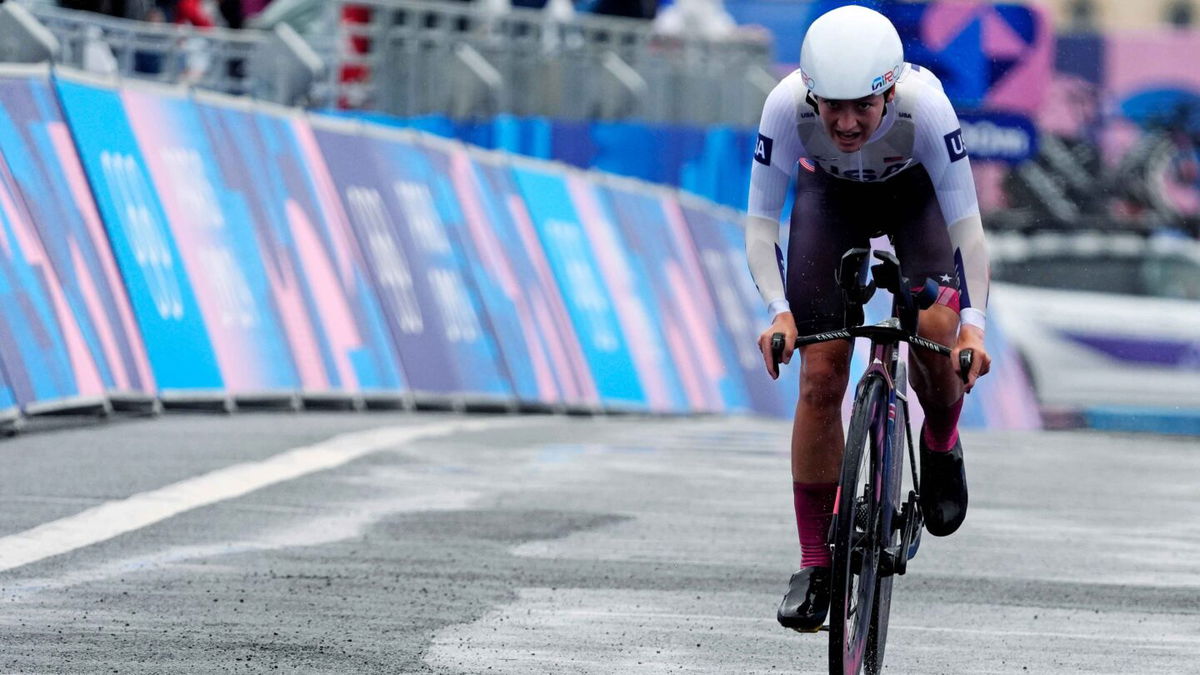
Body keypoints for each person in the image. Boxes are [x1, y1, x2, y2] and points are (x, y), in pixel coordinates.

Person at [743, 5, 992, 633]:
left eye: (864, 107)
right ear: (810, 95)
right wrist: (778, 314)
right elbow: (760, 223)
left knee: (936, 332)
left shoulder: (927, 107)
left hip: (915, 201)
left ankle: (938, 441)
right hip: (829, 201)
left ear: (889, 91)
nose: (848, 123)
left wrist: (975, 325)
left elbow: (968, 230)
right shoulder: (784, 106)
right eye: (832, 108)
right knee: (821, 374)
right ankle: (814, 563)